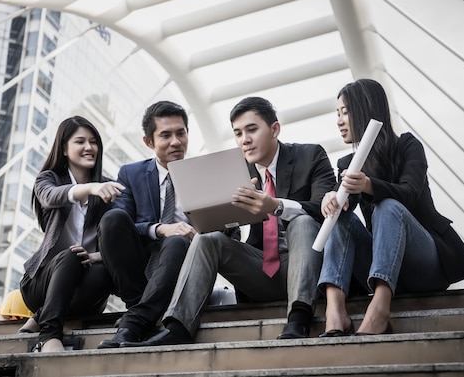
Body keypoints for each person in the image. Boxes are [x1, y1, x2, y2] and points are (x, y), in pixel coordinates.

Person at [126, 96, 337, 347]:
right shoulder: (239, 171)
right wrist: (222, 216)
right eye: (237, 133)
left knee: (302, 222)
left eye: (251, 129)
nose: (244, 140)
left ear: (274, 129)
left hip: (309, 267)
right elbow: (229, 236)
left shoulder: (310, 155)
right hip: (264, 273)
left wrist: (276, 206)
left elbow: (326, 212)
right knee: (208, 239)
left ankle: (299, 318)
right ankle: (178, 327)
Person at [318, 79, 464, 337]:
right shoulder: (347, 162)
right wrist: (333, 200)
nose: (338, 121)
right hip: (382, 265)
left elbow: (410, 193)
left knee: (388, 207)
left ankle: (380, 309)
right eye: (337, 114)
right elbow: (345, 217)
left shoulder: (407, 146)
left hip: (424, 264)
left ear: (365, 109)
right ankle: (335, 311)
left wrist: (370, 185)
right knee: (339, 218)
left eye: (345, 112)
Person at [20, 116, 126, 352]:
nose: (89, 148)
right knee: (70, 256)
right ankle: (48, 335)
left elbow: (121, 234)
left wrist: (97, 256)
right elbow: (49, 197)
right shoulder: (48, 179)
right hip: (41, 282)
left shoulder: (107, 188)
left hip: (84, 287)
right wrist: (89, 188)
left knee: (104, 272)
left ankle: (41, 316)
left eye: (93, 142)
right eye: (80, 142)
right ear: (65, 149)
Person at [95, 101, 196, 348]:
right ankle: (143, 307)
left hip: (186, 265)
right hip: (140, 269)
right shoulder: (131, 174)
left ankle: (133, 323)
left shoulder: (203, 173)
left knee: (175, 242)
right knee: (112, 219)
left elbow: (231, 233)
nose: (175, 142)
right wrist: (160, 228)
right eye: (166, 135)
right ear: (148, 142)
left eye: (181, 133)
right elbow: (123, 221)